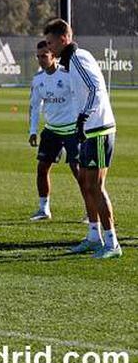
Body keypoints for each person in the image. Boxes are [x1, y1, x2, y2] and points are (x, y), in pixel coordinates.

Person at [44, 19, 121, 259]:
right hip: (89, 130)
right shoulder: (71, 61)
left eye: (50, 42)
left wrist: (83, 116)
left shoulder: (78, 58)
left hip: (99, 129)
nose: (48, 48)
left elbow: (96, 89)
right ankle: (93, 236)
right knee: (86, 185)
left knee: (96, 186)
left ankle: (112, 243)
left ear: (63, 39)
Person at [27, 39, 82, 221]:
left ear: (53, 55)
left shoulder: (67, 75)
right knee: (42, 168)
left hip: (72, 130)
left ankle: (90, 210)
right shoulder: (38, 79)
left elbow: (79, 97)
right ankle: (44, 209)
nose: (41, 59)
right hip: (51, 130)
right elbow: (35, 106)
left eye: (44, 56)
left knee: (78, 169)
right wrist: (32, 131)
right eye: (38, 57)